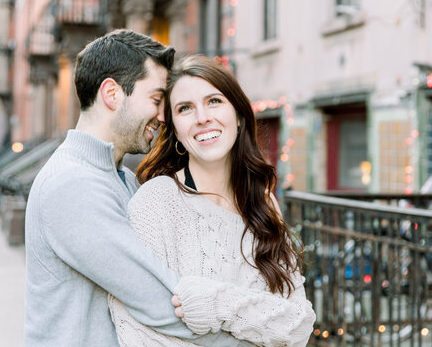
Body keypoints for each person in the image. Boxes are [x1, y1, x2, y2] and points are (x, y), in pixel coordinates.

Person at [24, 30, 254, 346]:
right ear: (112, 94)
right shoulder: (73, 184)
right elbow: (163, 303)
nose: (164, 116)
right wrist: (260, 335)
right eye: (157, 100)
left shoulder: (120, 178)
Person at [109, 55, 316, 346]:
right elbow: (136, 330)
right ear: (177, 133)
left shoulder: (263, 202)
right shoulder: (157, 201)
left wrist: (218, 304)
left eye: (214, 101)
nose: (202, 117)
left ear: (240, 117)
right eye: (185, 109)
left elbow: (298, 325)